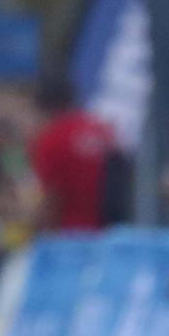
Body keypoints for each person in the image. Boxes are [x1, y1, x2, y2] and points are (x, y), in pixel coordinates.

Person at [30, 74, 122, 234]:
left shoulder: (51, 140)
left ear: (41, 106)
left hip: (72, 238)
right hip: (112, 234)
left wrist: (36, 232)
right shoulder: (102, 129)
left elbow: (53, 198)